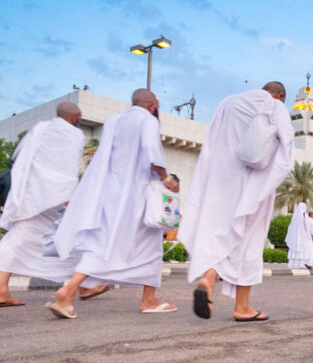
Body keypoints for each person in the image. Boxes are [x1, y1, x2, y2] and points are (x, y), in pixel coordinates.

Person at [48, 90, 180, 319]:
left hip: (109, 194)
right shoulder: (147, 120)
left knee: (105, 244)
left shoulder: (114, 121)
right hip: (136, 196)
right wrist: (167, 179)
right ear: (153, 105)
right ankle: (147, 300)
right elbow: (152, 153)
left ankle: (70, 290)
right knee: (150, 246)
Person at [181, 82, 293, 321]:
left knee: (222, 235)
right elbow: (287, 149)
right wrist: (270, 181)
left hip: (220, 181)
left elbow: (210, 143)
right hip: (252, 183)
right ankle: (241, 307)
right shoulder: (274, 106)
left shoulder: (228, 102)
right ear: (280, 95)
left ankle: (208, 278)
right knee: (247, 244)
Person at [0, 102, 108, 307]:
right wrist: (70, 196)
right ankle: (84, 286)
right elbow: (67, 168)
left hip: (32, 195)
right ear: (74, 118)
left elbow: (21, 159)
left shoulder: (40, 129)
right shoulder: (74, 135)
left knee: (18, 239)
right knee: (75, 238)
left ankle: (2, 289)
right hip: (57, 196)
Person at [286, 203, 313, 270]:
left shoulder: (294, 215)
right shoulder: (304, 215)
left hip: (294, 237)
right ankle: (302, 264)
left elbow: (290, 227)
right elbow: (307, 226)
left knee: (295, 249)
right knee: (302, 250)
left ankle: (293, 264)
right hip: (303, 236)